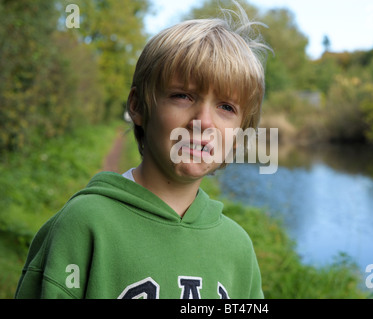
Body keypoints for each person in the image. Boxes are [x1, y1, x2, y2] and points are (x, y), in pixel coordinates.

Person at [15, 2, 270, 299]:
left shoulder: (237, 247)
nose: (203, 122)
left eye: (226, 107)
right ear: (137, 106)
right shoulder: (84, 224)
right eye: (182, 96)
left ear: (239, 136)